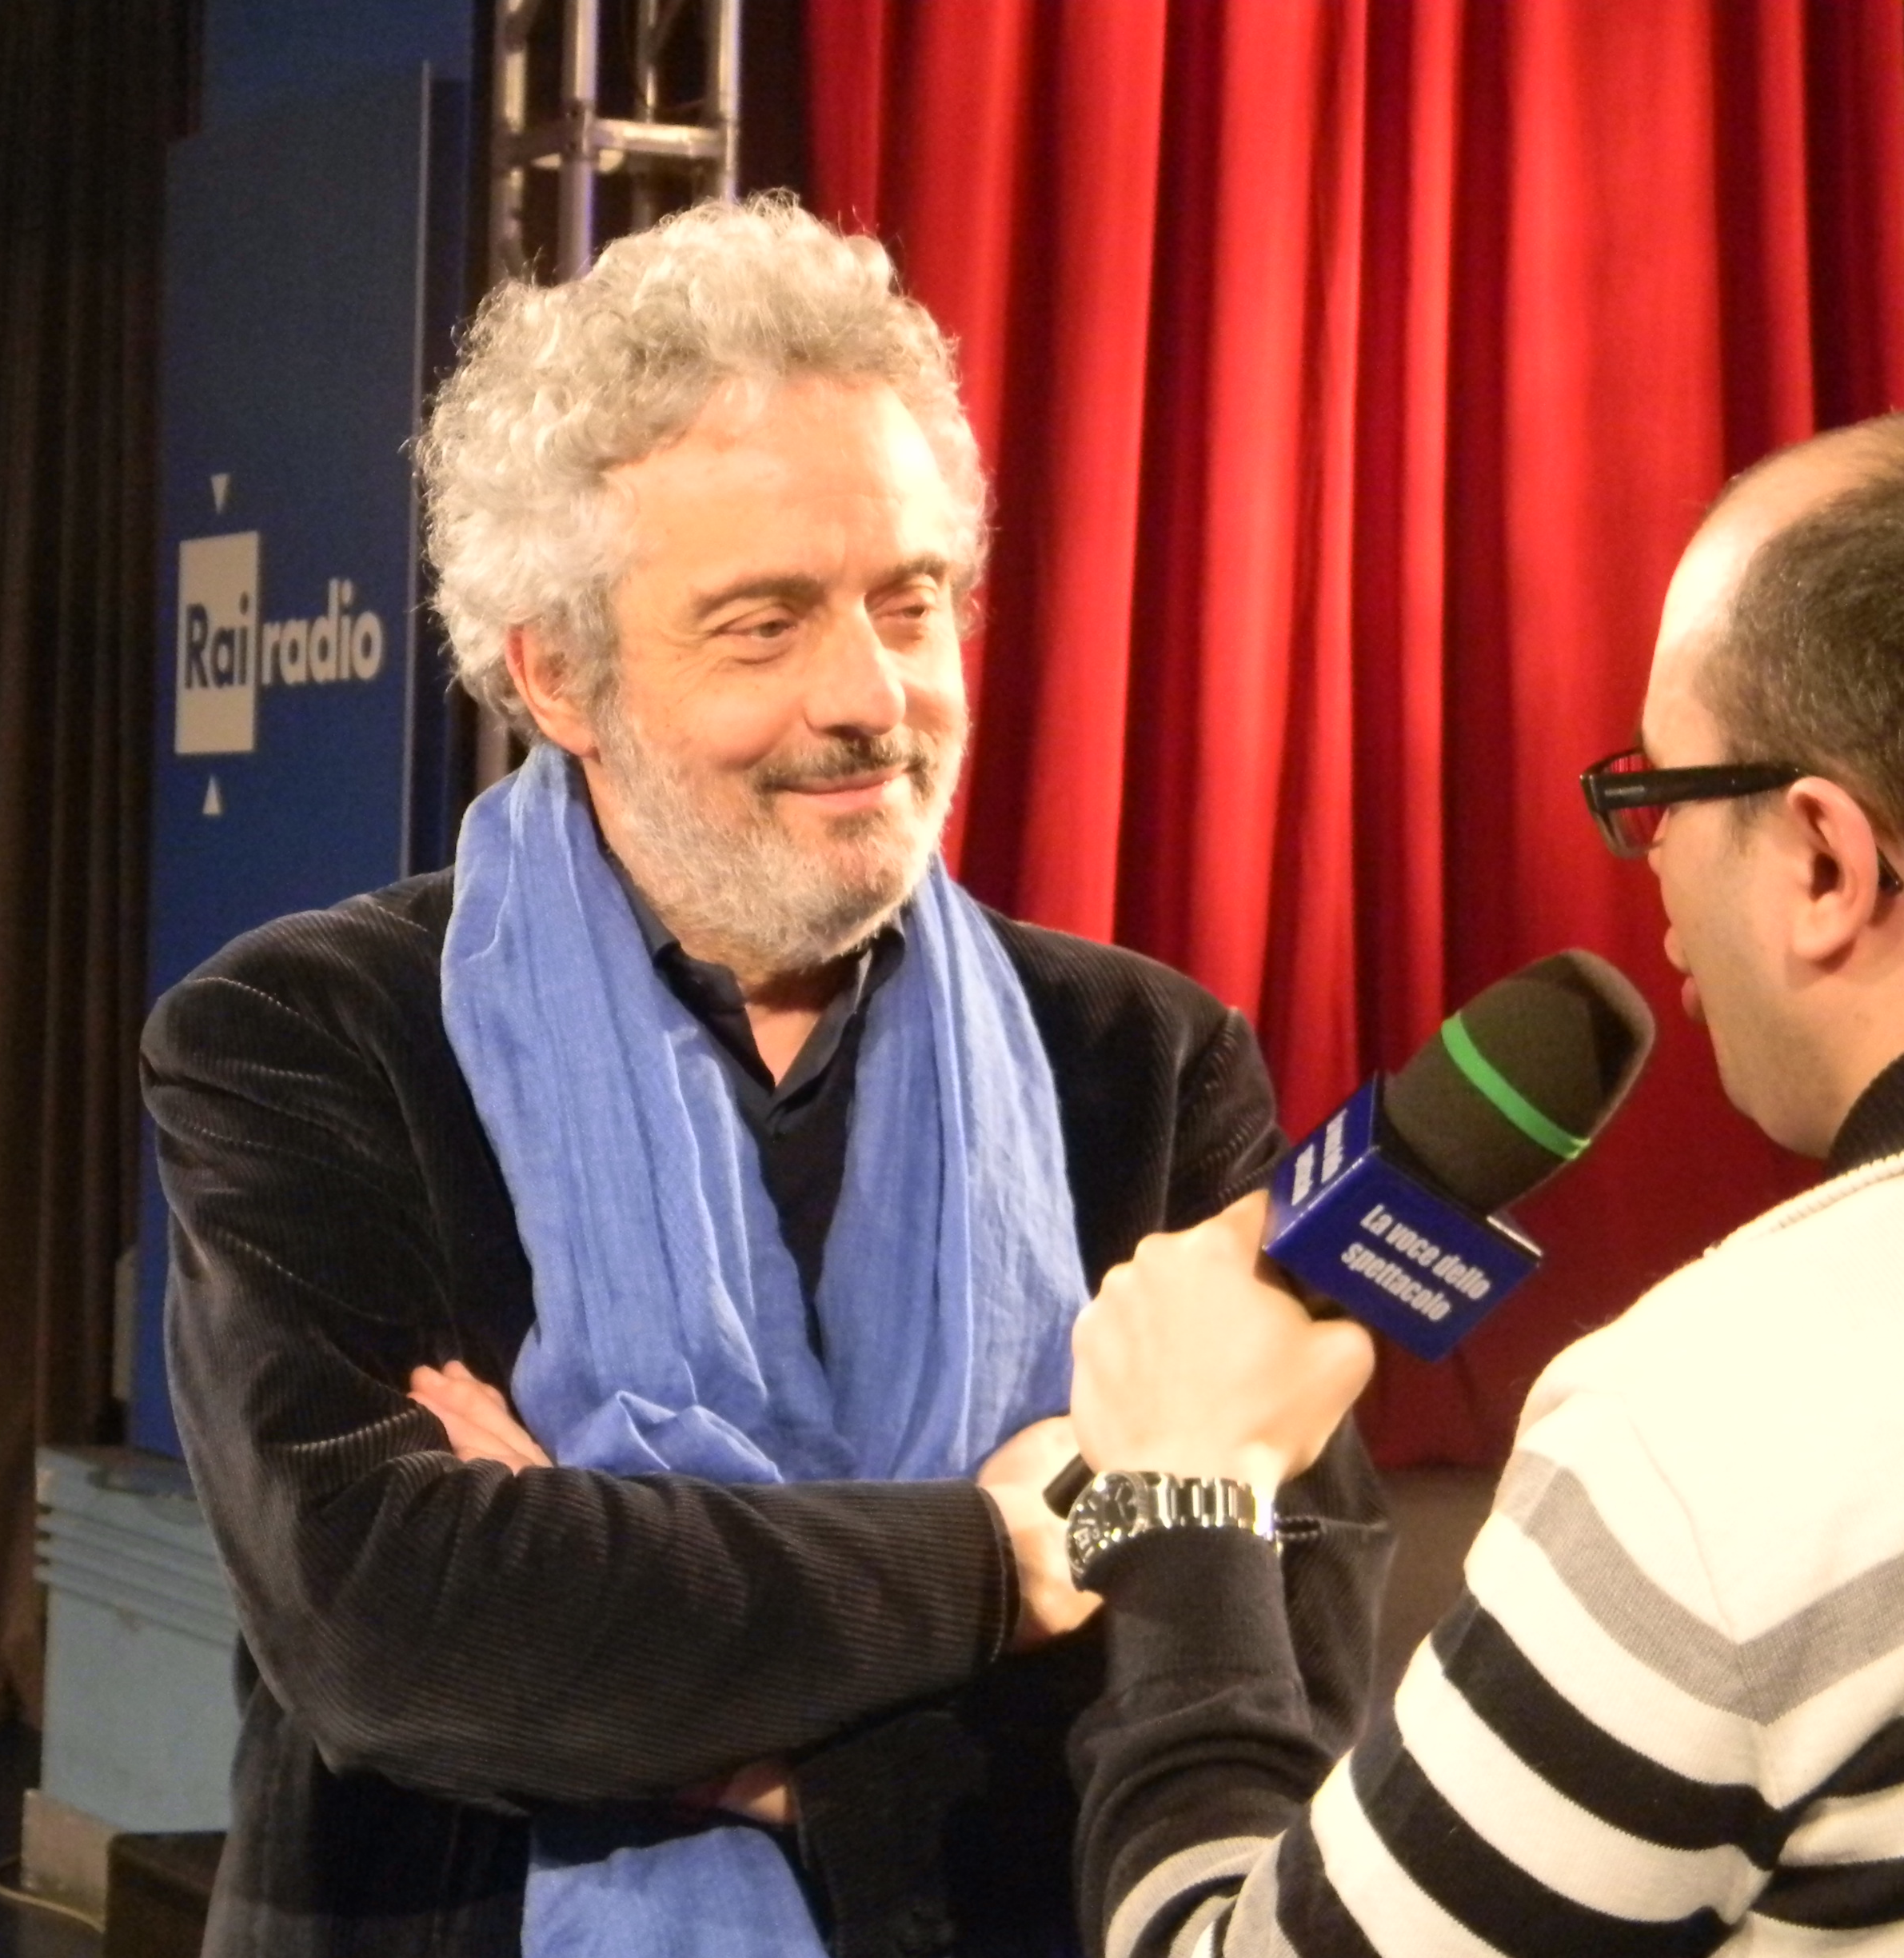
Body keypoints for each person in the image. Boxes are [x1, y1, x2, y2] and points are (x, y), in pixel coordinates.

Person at [142, 194, 1390, 1958]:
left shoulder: (1151, 1065)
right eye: (764, 623)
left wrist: (699, 1700)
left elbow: (1280, 1669)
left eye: (911, 602)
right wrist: (1007, 1558)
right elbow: (402, 1632)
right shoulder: (309, 1041)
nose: (872, 695)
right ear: (558, 672)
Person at [1057, 402, 1904, 1955]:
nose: (1651, 859)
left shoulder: (1726, 1429)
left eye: (1661, 794)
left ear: (1825, 861)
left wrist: (1183, 1497)